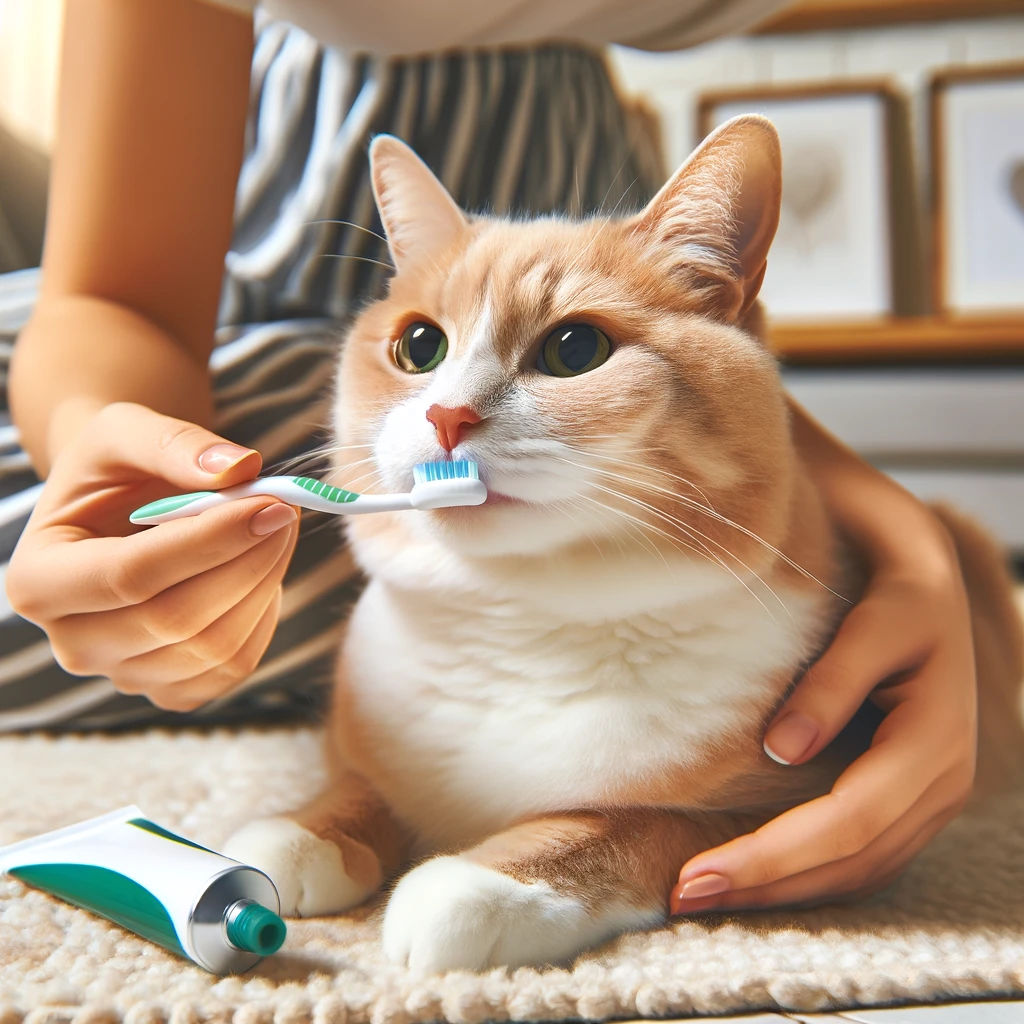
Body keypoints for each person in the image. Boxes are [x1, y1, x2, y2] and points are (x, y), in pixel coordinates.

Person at [0, 0, 977, 915]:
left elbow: (719, 378)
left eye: (573, 349)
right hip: (237, 284)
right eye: (425, 355)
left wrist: (912, 548)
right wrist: (117, 468)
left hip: (599, 241)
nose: (453, 412)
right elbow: (113, 303)